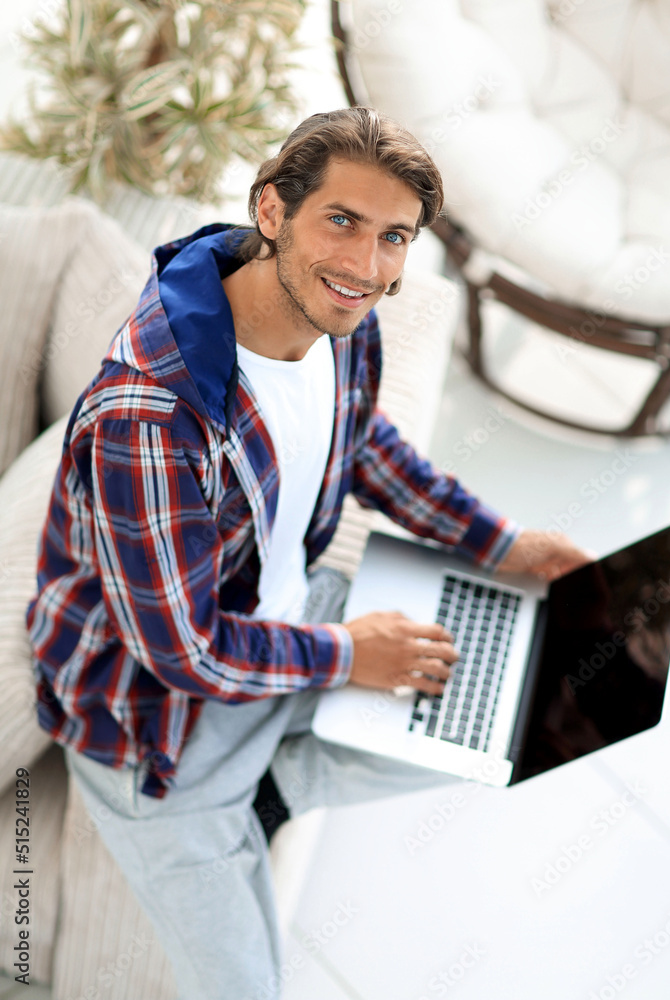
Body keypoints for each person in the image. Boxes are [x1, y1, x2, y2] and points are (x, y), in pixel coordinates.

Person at [27, 107, 590, 999]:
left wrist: (503, 542)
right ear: (270, 210)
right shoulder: (152, 417)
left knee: (547, 696)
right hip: (158, 727)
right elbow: (182, 652)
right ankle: (250, 791)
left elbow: (360, 445)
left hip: (286, 615)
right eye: (341, 221)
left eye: (392, 237)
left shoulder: (335, 311)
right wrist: (348, 656)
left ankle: (279, 779)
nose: (366, 265)